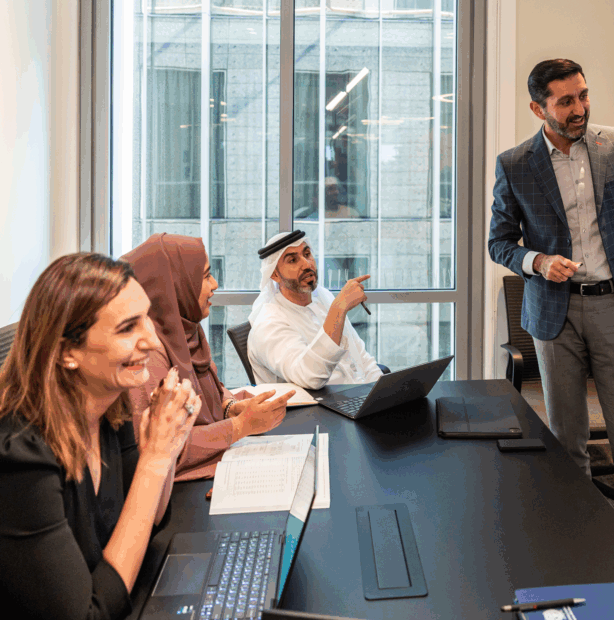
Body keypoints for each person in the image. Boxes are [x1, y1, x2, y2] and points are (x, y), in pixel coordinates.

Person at [488, 58, 614, 564]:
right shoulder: (515, 164)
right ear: (538, 107)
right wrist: (536, 260)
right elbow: (499, 243)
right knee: (567, 448)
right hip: (554, 318)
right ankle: (577, 556)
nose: (580, 109)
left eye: (584, 96)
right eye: (566, 101)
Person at [0, 253, 201, 619]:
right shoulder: (19, 457)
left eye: (148, 319)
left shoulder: (109, 406)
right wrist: (154, 459)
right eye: (128, 328)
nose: (153, 341)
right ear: (67, 353)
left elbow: (141, 525)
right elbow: (88, 613)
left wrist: (169, 445)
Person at [122, 233, 294, 480]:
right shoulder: (146, 353)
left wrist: (231, 408)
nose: (214, 284)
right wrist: (239, 426)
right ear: (175, 284)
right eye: (204, 276)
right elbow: (157, 447)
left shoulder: (188, 329)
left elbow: (212, 390)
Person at [247, 230, 382, 389]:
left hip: (356, 397)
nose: (306, 264)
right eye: (293, 260)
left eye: (307, 254)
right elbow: (310, 377)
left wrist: (381, 390)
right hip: (315, 410)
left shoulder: (322, 296)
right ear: (275, 275)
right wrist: (338, 309)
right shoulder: (268, 325)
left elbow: (361, 356)